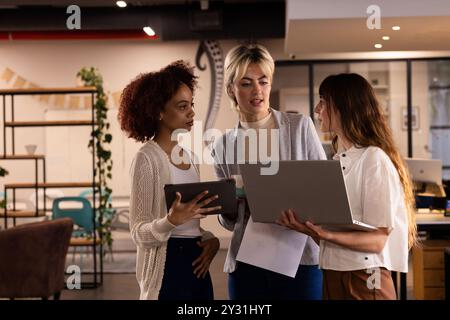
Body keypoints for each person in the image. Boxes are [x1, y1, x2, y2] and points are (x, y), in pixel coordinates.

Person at [277, 73, 417, 300]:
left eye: (323, 101)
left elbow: (377, 240)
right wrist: (307, 229)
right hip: (333, 273)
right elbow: (333, 235)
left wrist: (325, 233)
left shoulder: (374, 159)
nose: (316, 109)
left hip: (364, 277)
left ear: (344, 107)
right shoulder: (337, 161)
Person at [211, 44, 326, 300]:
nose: (257, 91)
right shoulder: (222, 145)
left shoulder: (300, 128)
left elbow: (323, 192)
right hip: (247, 265)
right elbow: (228, 221)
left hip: (300, 262)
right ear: (231, 89)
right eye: (246, 83)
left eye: (263, 82)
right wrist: (230, 204)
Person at [118, 61, 221, 300]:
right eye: (183, 106)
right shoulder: (147, 159)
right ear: (159, 112)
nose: (192, 113)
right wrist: (171, 220)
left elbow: (189, 226)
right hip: (168, 268)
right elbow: (138, 233)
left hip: (197, 262)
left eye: (191, 105)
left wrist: (210, 240)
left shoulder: (192, 159)